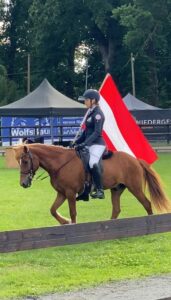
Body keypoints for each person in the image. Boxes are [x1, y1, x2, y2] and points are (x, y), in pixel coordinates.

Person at [73, 89, 106, 199]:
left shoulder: (98, 114)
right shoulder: (90, 113)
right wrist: (75, 142)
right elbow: (85, 133)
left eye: (86, 100)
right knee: (81, 162)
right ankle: (86, 191)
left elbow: (97, 132)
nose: (85, 102)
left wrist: (85, 144)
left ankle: (100, 190)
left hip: (97, 144)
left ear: (93, 100)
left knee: (92, 163)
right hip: (89, 143)